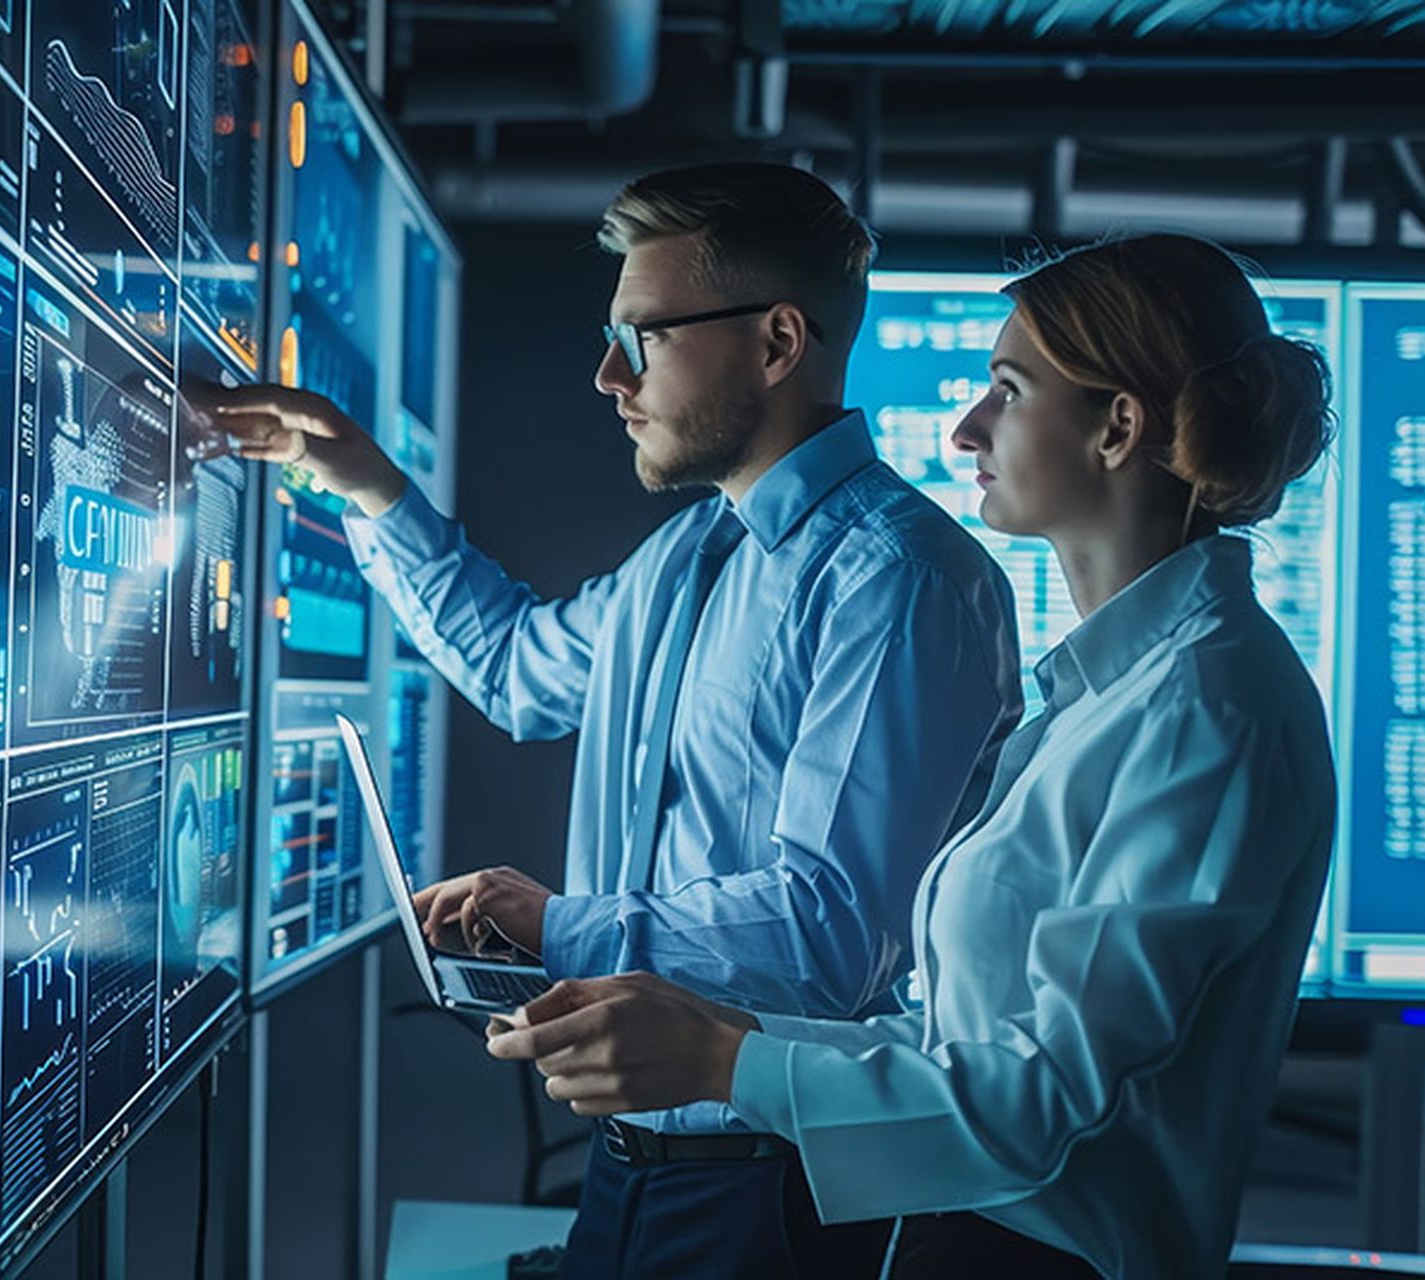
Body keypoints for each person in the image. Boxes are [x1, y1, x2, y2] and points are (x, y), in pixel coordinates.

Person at [208, 162, 1023, 1278]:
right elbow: (510, 666)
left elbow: (827, 933)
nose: (607, 375)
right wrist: (365, 484)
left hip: (779, 1190)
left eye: (643, 339)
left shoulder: (903, 579)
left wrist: (556, 923)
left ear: (778, 342)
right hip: (634, 1160)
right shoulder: (686, 556)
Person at [487, 233, 1339, 1279]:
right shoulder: (1108, 693)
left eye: (1008, 391)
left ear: (1117, 426)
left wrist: (728, 1058)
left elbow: (1035, 1103)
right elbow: (950, 1046)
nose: (966, 426)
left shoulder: (1210, 707)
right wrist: (713, 1025)